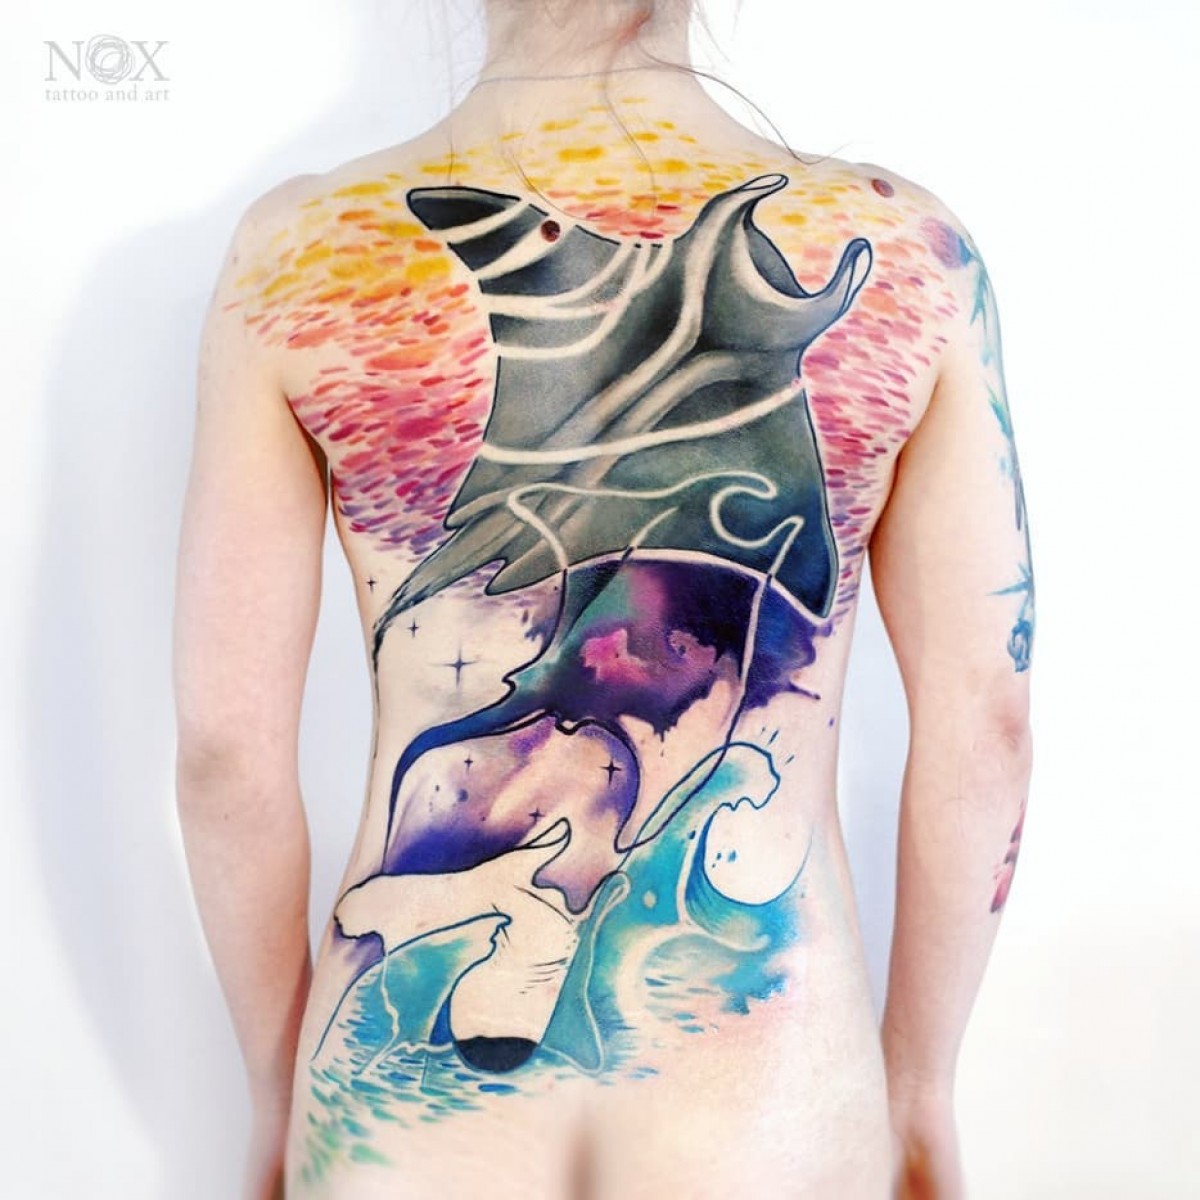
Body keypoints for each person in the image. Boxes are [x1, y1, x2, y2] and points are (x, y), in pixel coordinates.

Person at [172, 0, 1035, 1196]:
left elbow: (224, 757)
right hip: (771, 1105)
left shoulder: (300, 251)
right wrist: (920, 1083)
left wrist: (280, 1092)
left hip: (394, 1145)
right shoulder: (914, 255)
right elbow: (989, 727)